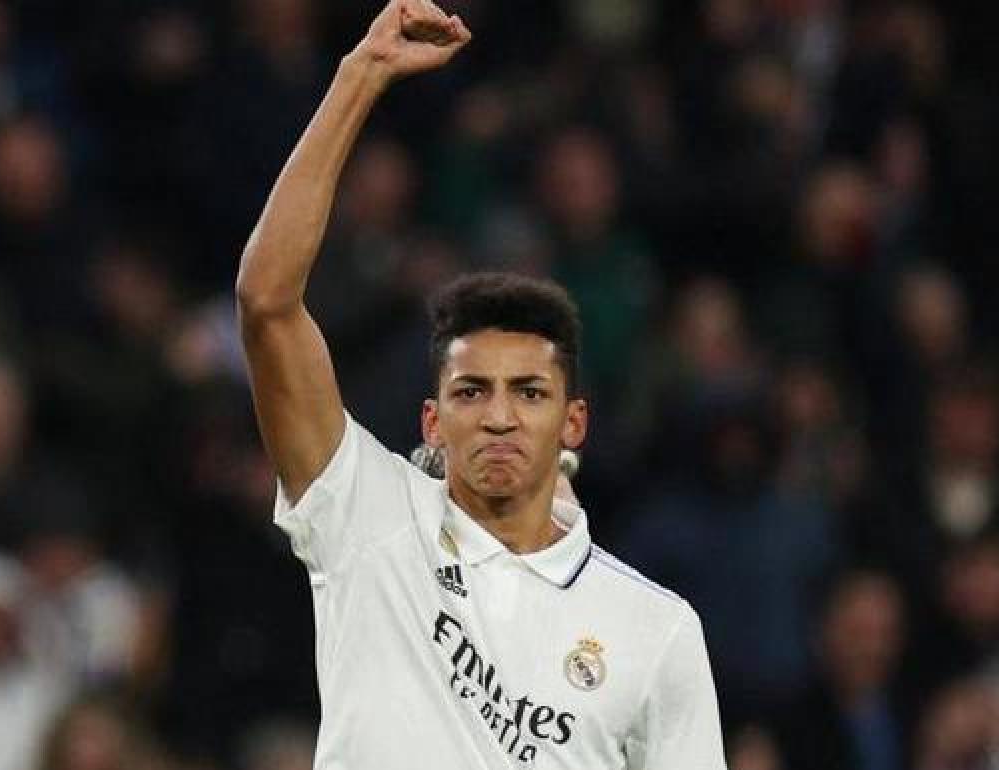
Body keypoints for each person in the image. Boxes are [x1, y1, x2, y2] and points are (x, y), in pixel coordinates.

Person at [234, 1, 727, 767]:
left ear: (573, 423)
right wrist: (360, 74)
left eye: (529, 392)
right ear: (432, 421)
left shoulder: (655, 630)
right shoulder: (369, 514)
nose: (499, 416)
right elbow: (267, 303)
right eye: (472, 392)